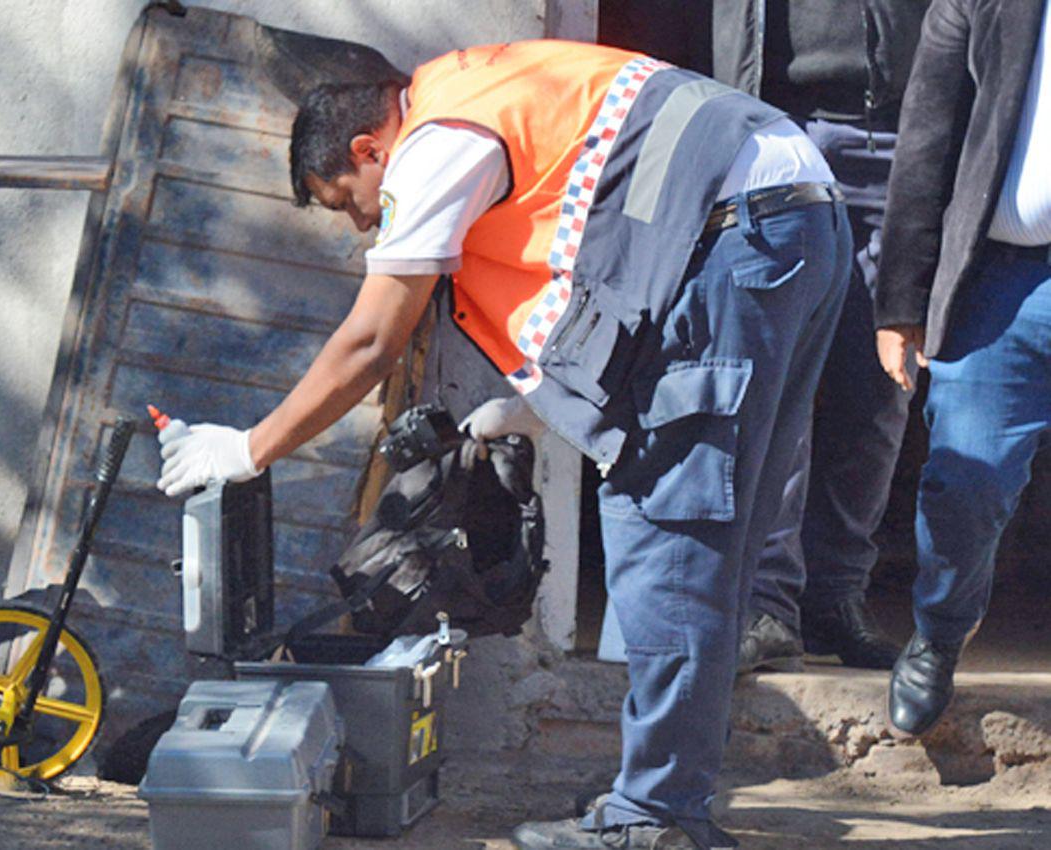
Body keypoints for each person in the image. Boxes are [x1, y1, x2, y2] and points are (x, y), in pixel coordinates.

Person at [156, 38, 851, 849]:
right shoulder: (485, 86)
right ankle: (670, 805)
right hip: (791, 224)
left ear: (367, 148)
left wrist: (250, 449)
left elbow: (373, 340)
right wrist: (530, 410)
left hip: (734, 237)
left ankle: (654, 822)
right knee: (709, 538)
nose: (362, 227)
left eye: (350, 201)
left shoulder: (437, 143)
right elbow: (595, 260)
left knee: (667, 532)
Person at [705, 0, 927, 674]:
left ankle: (836, 595)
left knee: (881, 384)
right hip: (767, 129)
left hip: (892, 132)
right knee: (776, 381)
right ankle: (769, 601)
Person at [875, 0, 1051, 736]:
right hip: (1005, 278)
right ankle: (940, 634)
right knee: (965, 479)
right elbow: (927, 140)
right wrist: (901, 301)